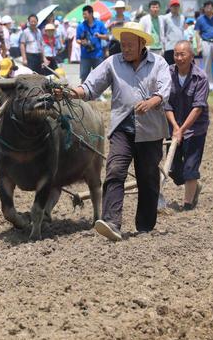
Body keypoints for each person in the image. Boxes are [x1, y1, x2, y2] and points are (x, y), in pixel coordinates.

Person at [59, 22, 171, 242]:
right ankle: (111, 222)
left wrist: (152, 102)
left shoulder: (159, 63)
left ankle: (145, 226)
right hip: (122, 128)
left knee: (148, 178)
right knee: (115, 170)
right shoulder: (112, 63)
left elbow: (164, 90)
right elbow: (91, 86)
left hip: (150, 132)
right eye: (123, 45)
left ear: (141, 44)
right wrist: (72, 93)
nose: (126, 49)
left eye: (130, 45)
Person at [165, 41, 209, 210]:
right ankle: (194, 185)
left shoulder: (200, 77)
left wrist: (182, 130)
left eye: (183, 54)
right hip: (173, 126)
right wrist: (176, 128)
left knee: (190, 167)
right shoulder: (167, 73)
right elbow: (165, 103)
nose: (179, 58)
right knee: (174, 171)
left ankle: (188, 204)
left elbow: (198, 108)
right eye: (176, 54)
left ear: (191, 56)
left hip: (195, 129)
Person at [194, 1, 213, 89]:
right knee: (207, 64)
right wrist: (199, 45)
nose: (208, 9)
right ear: (204, 8)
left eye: (210, 7)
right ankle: (210, 84)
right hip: (205, 41)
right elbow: (197, 33)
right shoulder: (200, 19)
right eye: (207, 7)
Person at [76, 5, 108, 82]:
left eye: (85, 14)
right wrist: (82, 42)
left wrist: (99, 35)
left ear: (91, 14)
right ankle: (84, 93)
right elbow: (77, 39)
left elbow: (106, 37)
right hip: (85, 56)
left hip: (97, 55)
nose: (84, 16)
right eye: (83, 14)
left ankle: (98, 94)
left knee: (99, 77)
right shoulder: (80, 26)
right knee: (84, 76)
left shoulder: (100, 24)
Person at [162, 0, 185, 65]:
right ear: (170, 7)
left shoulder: (182, 17)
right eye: (173, 6)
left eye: (177, 6)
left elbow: (182, 31)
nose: (175, 7)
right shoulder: (165, 18)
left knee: (181, 67)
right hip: (170, 47)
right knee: (170, 68)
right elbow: (163, 33)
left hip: (181, 47)